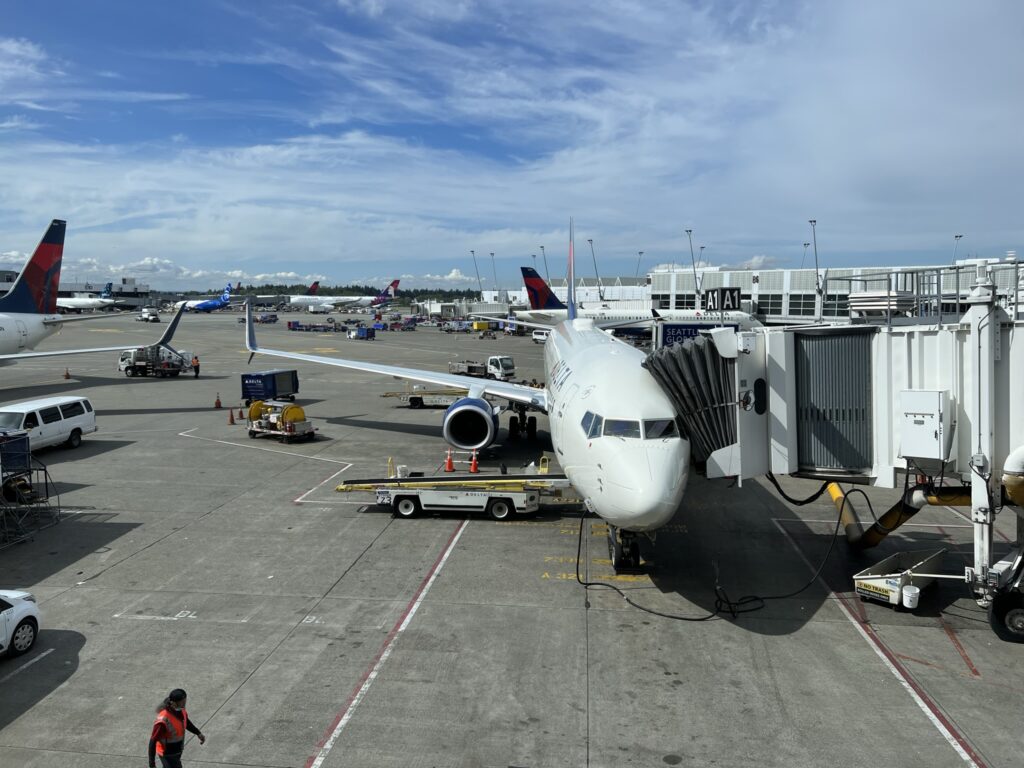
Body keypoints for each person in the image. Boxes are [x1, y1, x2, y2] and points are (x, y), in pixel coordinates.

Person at [148, 688, 206, 768]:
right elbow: (153, 741)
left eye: (185, 701)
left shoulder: (181, 710)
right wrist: (152, 764)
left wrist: (198, 733)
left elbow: (186, 722)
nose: (184, 704)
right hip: (167, 754)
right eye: (182, 702)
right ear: (173, 703)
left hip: (177, 751)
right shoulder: (163, 719)